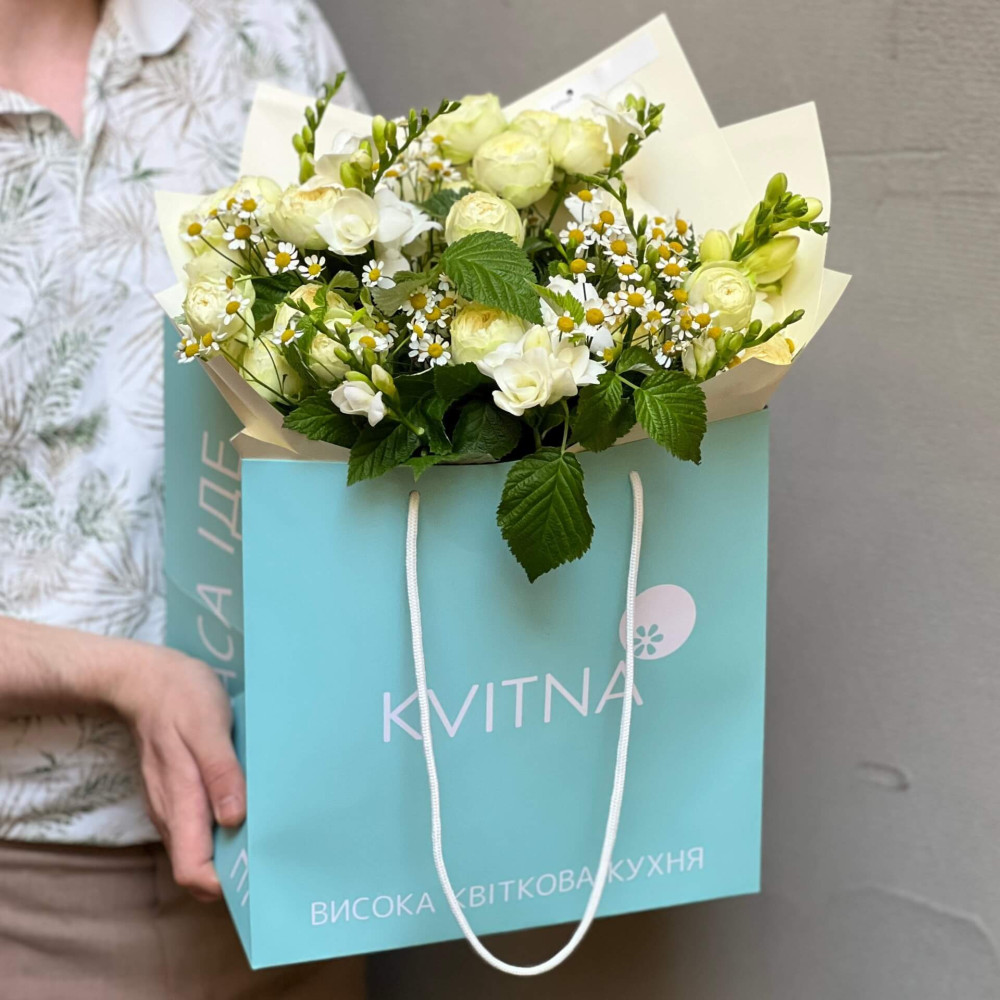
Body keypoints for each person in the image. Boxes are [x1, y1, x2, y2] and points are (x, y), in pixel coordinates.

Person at [0, 0, 367, 996]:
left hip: (301, 853)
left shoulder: (263, 29)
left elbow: (390, 365)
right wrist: (125, 675)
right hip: (28, 888)